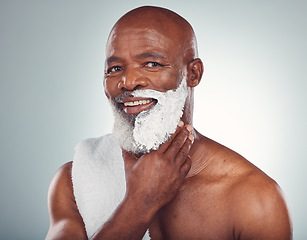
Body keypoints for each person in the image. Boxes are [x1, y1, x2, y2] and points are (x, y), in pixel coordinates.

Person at [46, 6, 292, 240]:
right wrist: (139, 204)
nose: (128, 81)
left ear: (193, 74)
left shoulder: (256, 199)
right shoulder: (75, 179)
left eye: (152, 64)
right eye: (115, 68)